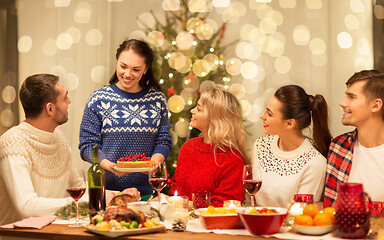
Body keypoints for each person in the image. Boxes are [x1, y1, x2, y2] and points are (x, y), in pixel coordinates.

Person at [79, 39, 172, 201]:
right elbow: (88, 145)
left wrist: (154, 163)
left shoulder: (157, 99)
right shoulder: (99, 99)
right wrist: (110, 166)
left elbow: (163, 140)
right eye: (123, 66)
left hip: (147, 195)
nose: (128, 74)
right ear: (116, 62)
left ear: (146, 69)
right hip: (108, 194)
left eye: (136, 69)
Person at [252, 85, 332, 208]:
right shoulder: (260, 146)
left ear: (289, 123)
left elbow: (302, 213)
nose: (262, 116)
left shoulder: (315, 163)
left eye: (269, 113)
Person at [171, 87, 247, 207]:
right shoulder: (188, 147)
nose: (192, 111)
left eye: (199, 109)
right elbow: (175, 190)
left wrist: (183, 204)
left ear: (215, 118)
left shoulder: (233, 160)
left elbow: (224, 207)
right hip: (178, 222)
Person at [324, 70, 384, 208]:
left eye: (351, 97)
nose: (342, 103)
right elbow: (331, 210)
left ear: (375, 105)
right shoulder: (339, 146)